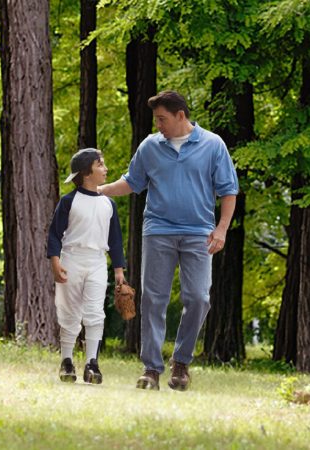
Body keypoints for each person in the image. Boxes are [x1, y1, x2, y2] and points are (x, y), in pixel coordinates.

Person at [98, 91, 238, 391]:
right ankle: (151, 369)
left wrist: (222, 229)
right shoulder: (150, 146)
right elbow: (132, 182)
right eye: (156, 120)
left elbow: (228, 190)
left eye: (162, 119)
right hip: (158, 230)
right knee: (153, 300)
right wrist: (101, 190)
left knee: (199, 298)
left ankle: (181, 362)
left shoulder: (213, 145)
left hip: (199, 233)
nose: (158, 124)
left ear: (181, 116)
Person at [47, 148, 126, 384]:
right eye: (100, 165)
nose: (106, 169)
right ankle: (67, 360)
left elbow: (115, 240)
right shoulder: (69, 201)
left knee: (94, 312)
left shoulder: (108, 204)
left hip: (97, 262)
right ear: (85, 172)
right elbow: (54, 234)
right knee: (69, 311)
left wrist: (119, 269)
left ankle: (92, 363)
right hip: (71, 259)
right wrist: (55, 261)